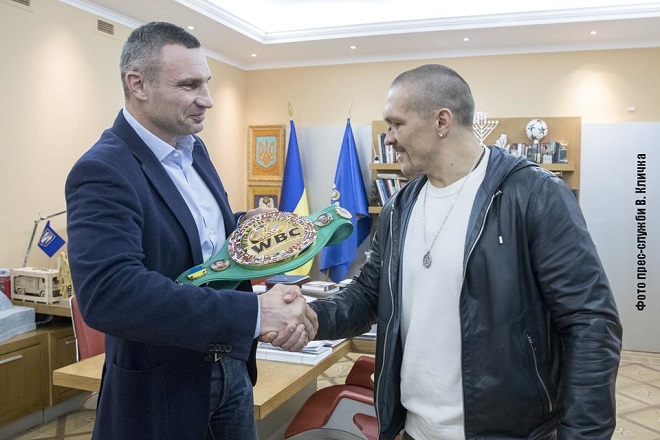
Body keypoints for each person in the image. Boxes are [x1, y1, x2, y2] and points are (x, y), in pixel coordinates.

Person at [306, 64, 623, 439]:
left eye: (396, 124)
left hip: (511, 432)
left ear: (442, 121)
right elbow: (369, 294)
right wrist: (310, 317)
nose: (388, 138)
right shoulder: (399, 208)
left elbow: (590, 323)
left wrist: (584, 434)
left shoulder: (535, 195)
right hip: (413, 429)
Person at [65, 21, 314, 440]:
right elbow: (110, 293)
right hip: (162, 390)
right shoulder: (103, 170)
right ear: (138, 84)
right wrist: (255, 313)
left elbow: (193, 238)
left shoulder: (194, 149)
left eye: (206, 83)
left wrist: (241, 225)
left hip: (232, 369)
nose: (207, 100)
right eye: (189, 85)